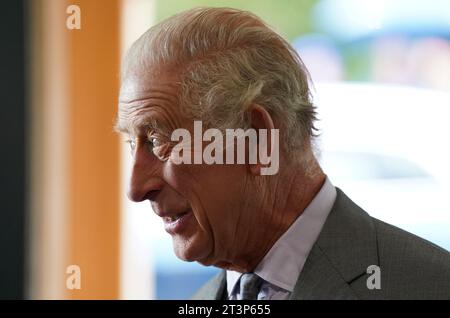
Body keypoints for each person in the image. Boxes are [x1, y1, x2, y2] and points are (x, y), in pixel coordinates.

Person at [115, 7, 450, 299]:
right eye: (133, 143)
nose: (136, 188)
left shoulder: (430, 287)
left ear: (257, 139)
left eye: (158, 140)